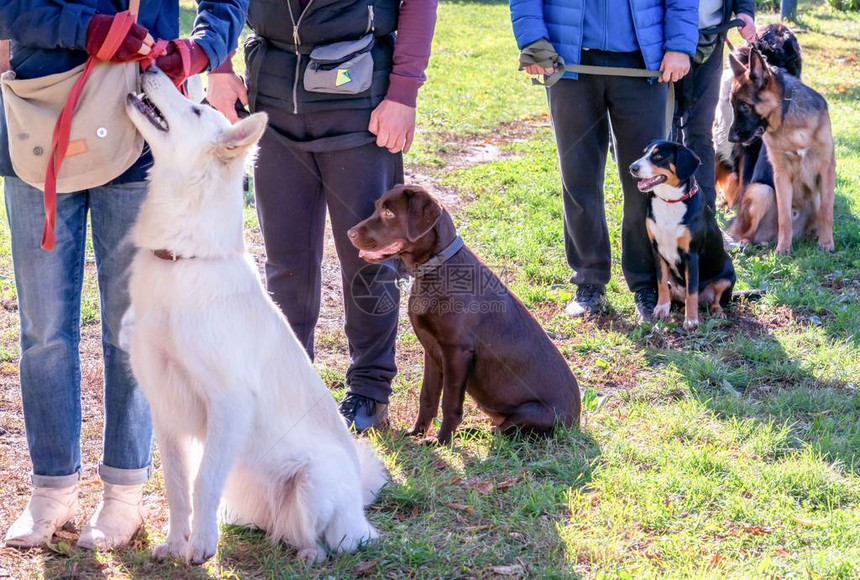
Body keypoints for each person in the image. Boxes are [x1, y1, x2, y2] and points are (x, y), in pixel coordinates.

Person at [1, 0, 246, 551]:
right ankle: (50, 491)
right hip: (36, 127)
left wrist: (203, 46)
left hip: (140, 128)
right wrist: (84, 29)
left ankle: (124, 495)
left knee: (128, 330)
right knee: (42, 330)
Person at [206, 0, 438, 432]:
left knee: (369, 261)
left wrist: (403, 93)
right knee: (285, 263)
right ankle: (288, 387)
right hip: (270, 101)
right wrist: (218, 65)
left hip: (361, 104)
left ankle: (370, 391)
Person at [510, 0, 699, 322]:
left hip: (644, 66)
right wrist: (532, 40)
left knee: (647, 185)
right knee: (578, 177)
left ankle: (646, 284)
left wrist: (680, 44)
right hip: (568, 65)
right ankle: (589, 279)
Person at [673, 0, 756, 210]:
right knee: (667, 131)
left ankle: (705, 217)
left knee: (700, 131)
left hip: (711, 42)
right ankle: (664, 215)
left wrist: (745, 13)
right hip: (666, 45)